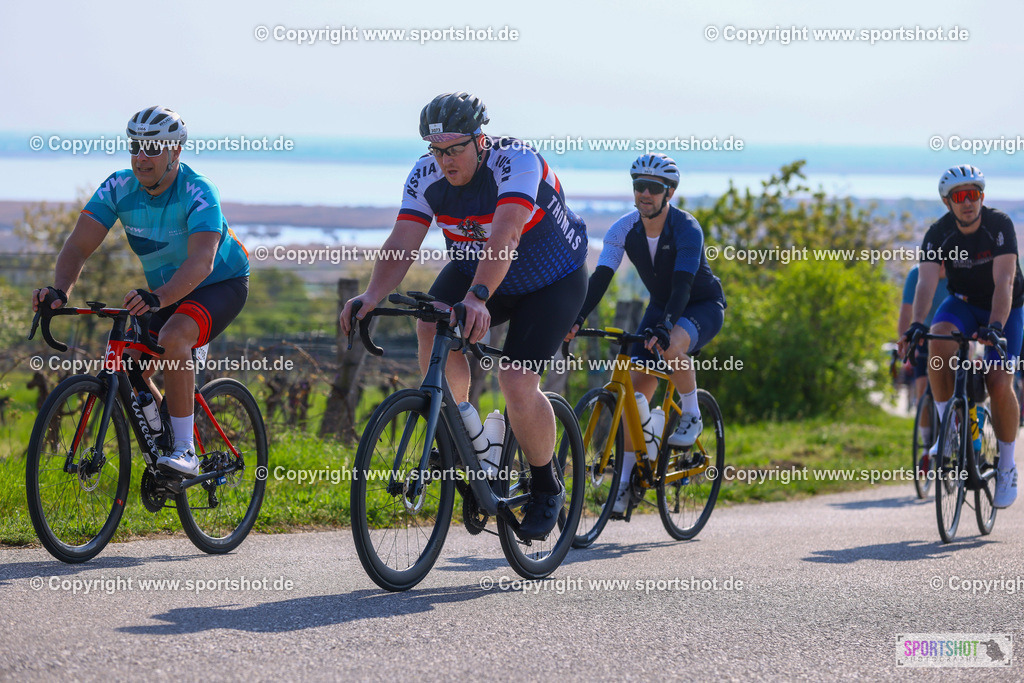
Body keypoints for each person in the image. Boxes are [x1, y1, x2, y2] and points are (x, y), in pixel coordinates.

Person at [340, 92, 588, 539]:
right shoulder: (424, 175)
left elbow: (507, 232)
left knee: (515, 379)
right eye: (436, 150)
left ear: (481, 140)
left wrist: (476, 298)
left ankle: (546, 484)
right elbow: (403, 239)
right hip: (479, 267)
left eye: (455, 149)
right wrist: (373, 294)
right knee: (429, 325)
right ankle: (468, 439)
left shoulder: (517, 161)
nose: (445, 161)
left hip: (549, 279)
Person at [31, 106, 250, 478]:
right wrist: (59, 290)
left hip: (218, 283)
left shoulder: (198, 190)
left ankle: (186, 451)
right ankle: (167, 439)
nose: (141, 157)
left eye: (152, 148)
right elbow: (78, 246)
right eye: (135, 146)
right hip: (167, 292)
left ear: (175, 152)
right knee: (131, 363)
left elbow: (201, 262)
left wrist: (159, 299)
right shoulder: (118, 187)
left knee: (174, 335)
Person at [566, 153, 726, 514]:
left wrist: (666, 327)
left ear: (669, 192)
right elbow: (600, 279)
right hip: (660, 305)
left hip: (699, 305)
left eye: (653, 188)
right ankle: (626, 482)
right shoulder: (622, 229)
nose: (644, 194)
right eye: (639, 186)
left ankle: (691, 413)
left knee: (672, 350)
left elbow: (684, 287)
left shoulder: (686, 228)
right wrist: (576, 318)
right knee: (631, 390)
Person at [900, 164, 1019, 508]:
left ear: (982, 197)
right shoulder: (939, 233)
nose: (968, 202)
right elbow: (924, 281)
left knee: (998, 381)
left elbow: (1005, 282)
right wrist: (917, 323)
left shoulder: (999, 226)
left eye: (974, 194)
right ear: (948, 202)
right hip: (963, 304)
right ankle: (948, 432)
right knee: (936, 341)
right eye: (959, 196)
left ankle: (1008, 465)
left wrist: (995, 326)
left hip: (1006, 309)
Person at [897, 262, 947, 467]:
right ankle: (927, 449)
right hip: (924, 336)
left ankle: (960, 434)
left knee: (955, 384)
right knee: (922, 389)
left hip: (951, 336)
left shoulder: (960, 271)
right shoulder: (916, 274)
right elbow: (906, 312)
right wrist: (905, 343)